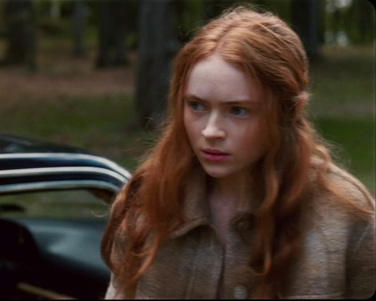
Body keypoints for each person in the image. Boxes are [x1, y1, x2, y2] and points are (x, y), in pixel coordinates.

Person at [101, 5, 375, 299]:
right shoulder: (147, 201)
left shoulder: (346, 217)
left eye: (238, 110)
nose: (210, 131)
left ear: (291, 111)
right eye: (197, 105)